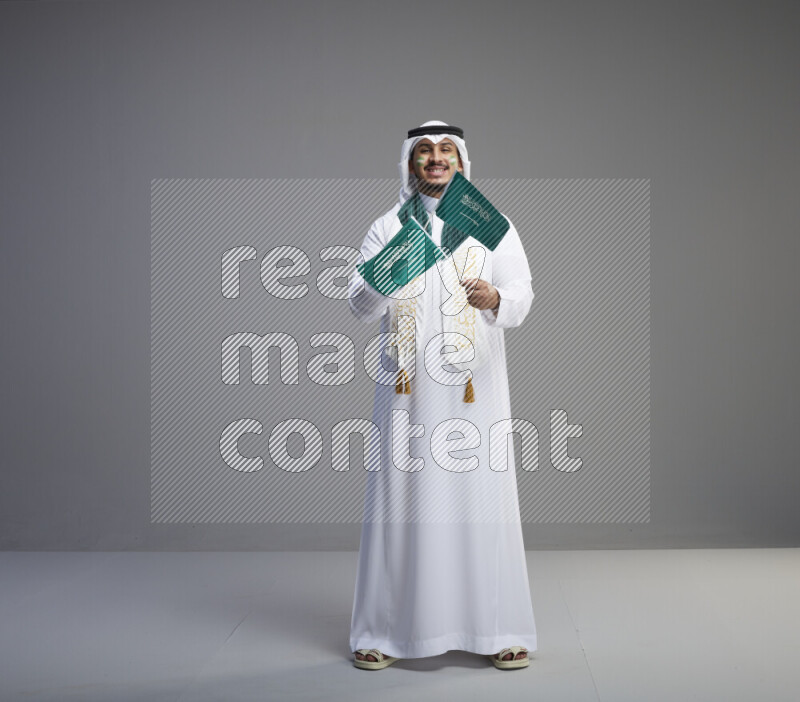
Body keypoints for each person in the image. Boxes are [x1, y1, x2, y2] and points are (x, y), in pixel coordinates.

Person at [348, 120, 537, 670]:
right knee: (399, 505)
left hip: (473, 394)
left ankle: (498, 628)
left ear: (461, 162)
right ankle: (382, 632)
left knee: (483, 500)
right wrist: (389, 271)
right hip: (407, 393)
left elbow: (523, 293)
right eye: (425, 152)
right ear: (410, 163)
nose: (435, 159)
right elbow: (358, 304)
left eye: (446, 151)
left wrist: (495, 294)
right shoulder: (388, 227)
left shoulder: (487, 224)